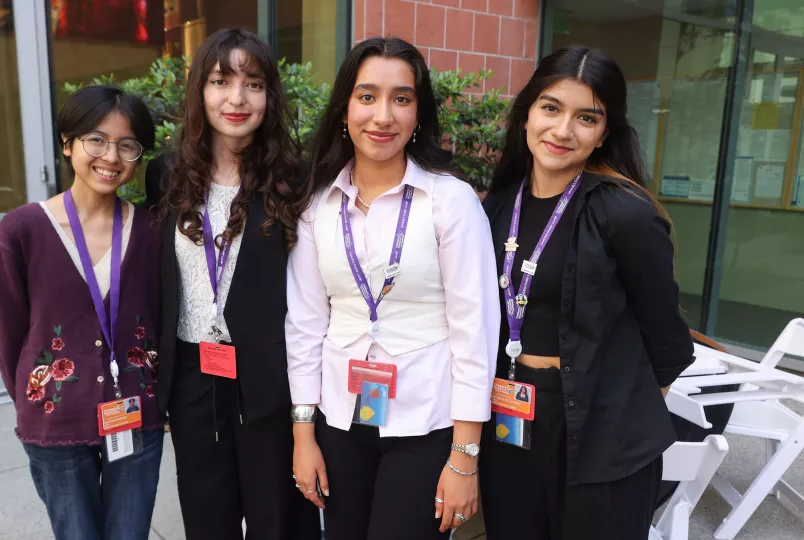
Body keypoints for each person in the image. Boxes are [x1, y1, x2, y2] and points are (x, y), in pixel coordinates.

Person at [286, 37, 500, 540]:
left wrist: (465, 457)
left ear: (418, 113)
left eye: (401, 98)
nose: (383, 115)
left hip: (427, 425)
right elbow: (305, 324)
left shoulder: (451, 201)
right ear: (344, 109)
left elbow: (475, 330)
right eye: (367, 96)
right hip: (340, 420)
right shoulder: (317, 204)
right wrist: (303, 434)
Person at [478, 47, 694, 540]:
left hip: (602, 436)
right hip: (510, 419)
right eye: (551, 108)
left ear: (604, 133)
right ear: (527, 112)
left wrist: (616, 407)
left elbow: (668, 343)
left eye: (587, 117)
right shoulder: (496, 207)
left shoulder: (626, 214)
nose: (562, 131)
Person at [146, 28, 321, 540]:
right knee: (207, 519)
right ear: (201, 89)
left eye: (253, 83)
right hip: (193, 378)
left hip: (269, 379)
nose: (237, 99)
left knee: (278, 520)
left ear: (270, 95)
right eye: (221, 81)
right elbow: (124, 239)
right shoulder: (167, 173)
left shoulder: (296, 178)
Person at [0, 85, 165, 540]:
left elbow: (162, 318)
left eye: (127, 144)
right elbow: (8, 336)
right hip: (55, 420)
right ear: (67, 143)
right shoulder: (23, 229)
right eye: (96, 140)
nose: (111, 155)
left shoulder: (151, 230)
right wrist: (35, 403)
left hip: (136, 416)